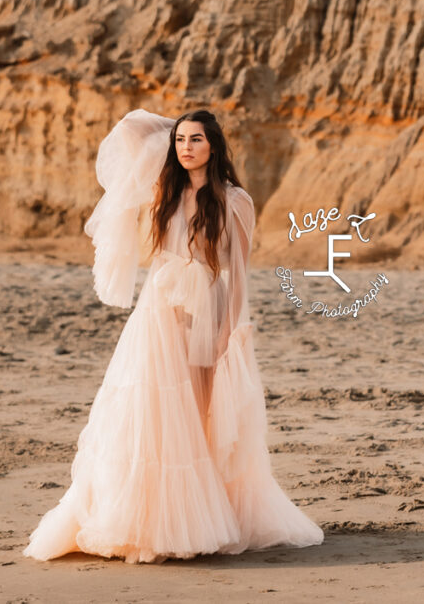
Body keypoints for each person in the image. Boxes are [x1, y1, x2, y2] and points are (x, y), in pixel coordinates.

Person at [22, 108, 324, 564]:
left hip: (208, 308)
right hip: (158, 311)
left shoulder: (234, 199)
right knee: (150, 406)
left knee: (200, 414)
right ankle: (146, 516)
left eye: (197, 140)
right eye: (180, 140)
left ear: (215, 146)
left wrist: (231, 327)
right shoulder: (165, 189)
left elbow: (239, 271)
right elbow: (128, 128)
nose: (186, 147)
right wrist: (176, 124)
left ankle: (204, 512)